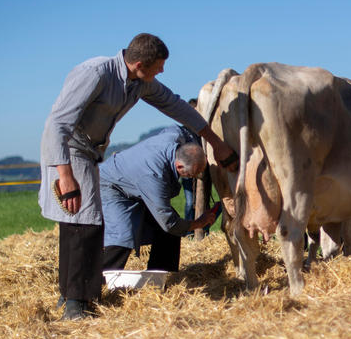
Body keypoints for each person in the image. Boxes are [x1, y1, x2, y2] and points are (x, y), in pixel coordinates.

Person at [39, 33, 237, 321]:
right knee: (83, 224)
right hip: (70, 149)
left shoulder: (139, 83)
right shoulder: (94, 74)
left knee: (83, 223)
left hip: (92, 153)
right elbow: (57, 123)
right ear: (140, 64)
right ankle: (76, 305)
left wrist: (214, 140)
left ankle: (73, 296)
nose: (162, 72)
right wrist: (65, 175)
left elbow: (174, 104)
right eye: (159, 66)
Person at [99, 126, 219, 272]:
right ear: (179, 165)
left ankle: (158, 277)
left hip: (134, 181)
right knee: (123, 234)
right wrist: (199, 223)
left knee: (168, 232)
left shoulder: (176, 139)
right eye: (190, 175)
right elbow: (169, 222)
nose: (192, 177)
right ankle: (100, 283)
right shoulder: (155, 176)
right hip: (111, 184)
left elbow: (179, 129)